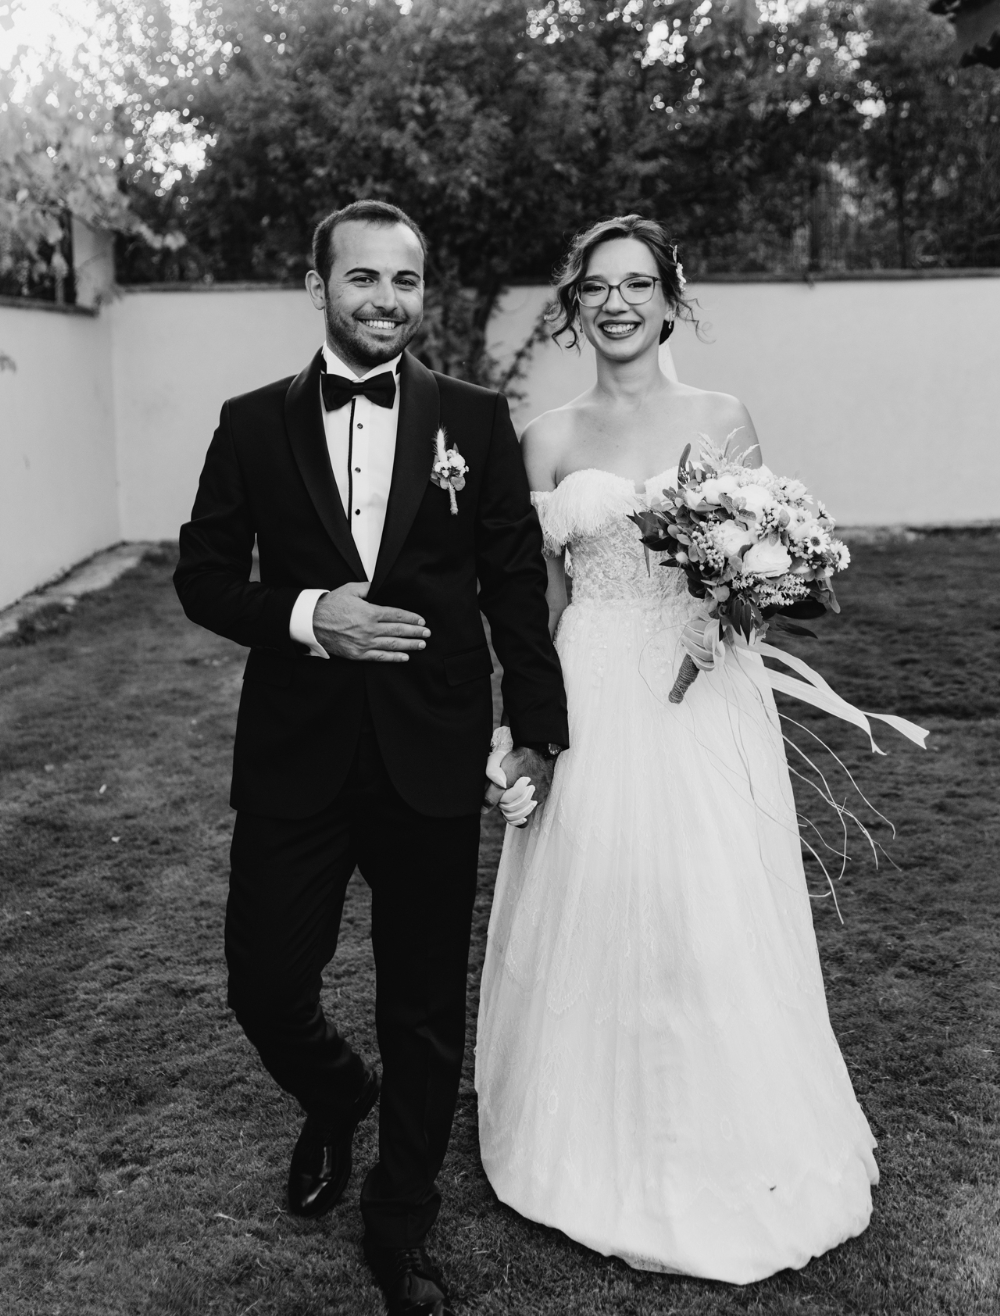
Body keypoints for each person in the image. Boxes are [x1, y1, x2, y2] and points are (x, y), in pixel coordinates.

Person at [174, 200, 568, 1316]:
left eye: (406, 280)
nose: (387, 300)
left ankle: (400, 1226)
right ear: (318, 288)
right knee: (264, 983)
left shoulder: (474, 419)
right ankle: (339, 1095)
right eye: (363, 278)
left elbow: (511, 584)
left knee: (423, 1006)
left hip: (430, 748)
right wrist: (311, 615)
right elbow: (203, 577)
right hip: (295, 751)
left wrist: (538, 729)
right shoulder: (251, 423)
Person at [475, 215, 878, 1284]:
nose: (616, 303)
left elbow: (765, 569)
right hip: (593, 686)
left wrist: (739, 610)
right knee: (599, 894)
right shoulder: (545, 439)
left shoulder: (721, 417)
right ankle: (588, 1134)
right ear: (574, 306)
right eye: (596, 287)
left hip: (704, 693)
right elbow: (539, 604)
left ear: (670, 299)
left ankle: (727, 1137)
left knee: (706, 902)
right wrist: (524, 727)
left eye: (637, 284)